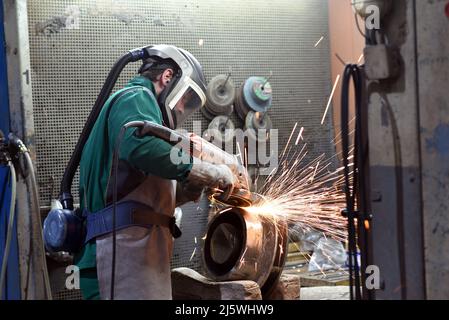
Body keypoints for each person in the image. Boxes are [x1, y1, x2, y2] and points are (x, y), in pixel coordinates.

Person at [74, 44, 235, 300]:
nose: (183, 109)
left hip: (134, 256)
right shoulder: (136, 97)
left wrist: (186, 188)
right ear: (167, 77)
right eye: (187, 98)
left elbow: (137, 190)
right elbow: (139, 147)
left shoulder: (147, 121)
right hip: (116, 258)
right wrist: (203, 170)